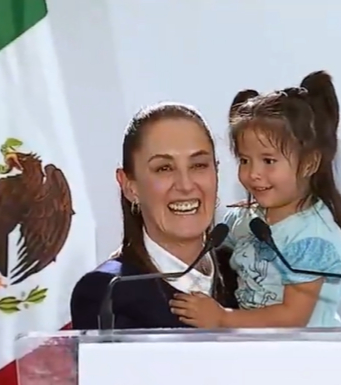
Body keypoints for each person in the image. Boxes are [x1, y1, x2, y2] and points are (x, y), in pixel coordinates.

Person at [169, 71, 341, 328]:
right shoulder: (245, 219)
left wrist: (222, 317)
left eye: (268, 161)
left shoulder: (312, 237)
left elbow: (293, 316)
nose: (253, 174)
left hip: (307, 359)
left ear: (310, 162)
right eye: (245, 160)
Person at [70, 102, 236, 330]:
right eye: (164, 168)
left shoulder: (245, 269)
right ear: (130, 186)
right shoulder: (110, 290)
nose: (186, 185)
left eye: (198, 165)